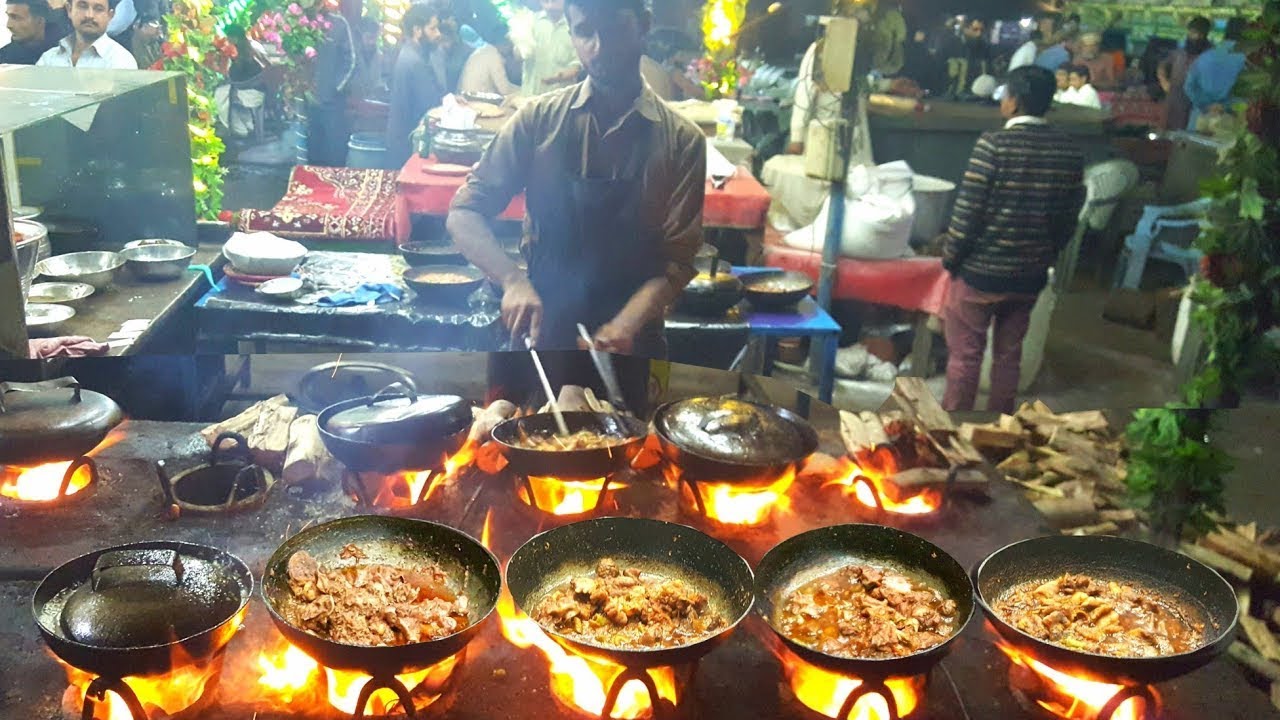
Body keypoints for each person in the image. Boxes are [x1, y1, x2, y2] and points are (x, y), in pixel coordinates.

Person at [448, 0, 704, 359]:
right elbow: (464, 212)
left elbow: (678, 261)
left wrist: (627, 323)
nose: (598, 47)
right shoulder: (539, 120)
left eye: (613, 28)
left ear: (644, 25)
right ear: (571, 33)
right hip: (542, 330)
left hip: (634, 341)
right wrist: (512, 280)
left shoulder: (682, 141)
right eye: (584, 32)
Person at [941, 65, 1084, 413]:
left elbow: (967, 213)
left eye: (1005, 95)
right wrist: (1045, 255)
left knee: (965, 356)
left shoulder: (993, 145)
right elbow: (1069, 217)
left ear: (1015, 101)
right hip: (1029, 275)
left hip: (980, 274)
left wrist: (951, 259)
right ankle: (1001, 430)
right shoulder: (1069, 151)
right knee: (1009, 357)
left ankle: (952, 430)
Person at [386, 2, 450, 168]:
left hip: (403, 139)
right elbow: (430, 105)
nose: (438, 34)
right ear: (417, 30)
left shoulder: (416, 54)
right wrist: (451, 104)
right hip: (407, 143)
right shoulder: (413, 61)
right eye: (432, 29)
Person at [307, 0, 359, 167]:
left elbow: (351, 61)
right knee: (313, 153)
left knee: (335, 152)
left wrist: (335, 88)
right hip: (308, 101)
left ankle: (335, 182)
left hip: (332, 101)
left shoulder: (338, 23)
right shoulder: (298, 25)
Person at [1185, 17, 1247, 130]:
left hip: (1199, 121)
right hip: (1229, 124)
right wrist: (1225, 106)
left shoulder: (1204, 57)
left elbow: (1189, 87)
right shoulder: (1248, 61)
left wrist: (1207, 105)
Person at [37, 0, 137, 68]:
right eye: (82, 6)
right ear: (69, 10)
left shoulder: (121, 61)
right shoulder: (49, 58)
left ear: (110, 15)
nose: (89, 15)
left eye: (98, 9)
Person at [1160, 16, 1211, 130]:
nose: (1196, 37)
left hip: (1193, 102)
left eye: (1200, 34)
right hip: (1173, 97)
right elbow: (1162, 66)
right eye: (1193, 33)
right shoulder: (1180, 51)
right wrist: (1164, 82)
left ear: (1206, 34)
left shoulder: (1210, 55)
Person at [520, 0, 579, 96]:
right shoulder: (529, 23)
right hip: (530, 96)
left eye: (554, 1)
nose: (550, 5)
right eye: (546, 1)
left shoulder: (575, 24)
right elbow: (519, 54)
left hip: (560, 98)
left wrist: (559, 77)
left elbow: (577, 66)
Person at [459, 23, 520, 96]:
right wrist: (525, 90)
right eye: (512, 44)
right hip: (474, 101)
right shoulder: (494, 55)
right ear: (506, 43)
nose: (512, 48)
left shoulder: (486, 50)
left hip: (467, 98)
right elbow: (505, 89)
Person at [1, 0, 59, 65]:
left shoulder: (63, 54)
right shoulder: (3, 59)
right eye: (9, 17)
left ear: (40, 21)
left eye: (16, 18)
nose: (9, 25)